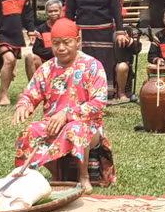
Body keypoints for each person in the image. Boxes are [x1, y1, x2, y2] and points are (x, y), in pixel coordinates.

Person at [12, 17, 115, 195]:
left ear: (78, 41)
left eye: (66, 43)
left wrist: (67, 114)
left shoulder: (92, 66)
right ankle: (51, 176)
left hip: (88, 125)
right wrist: (24, 104)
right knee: (32, 130)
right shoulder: (47, 69)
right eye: (56, 43)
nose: (61, 48)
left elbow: (99, 103)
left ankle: (83, 178)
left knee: (74, 129)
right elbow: (31, 92)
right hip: (53, 124)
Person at [64, 0, 130, 98]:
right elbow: (69, 11)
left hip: (105, 31)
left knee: (105, 61)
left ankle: (106, 92)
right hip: (83, 32)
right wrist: (68, 33)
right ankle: (83, 93)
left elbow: (117, 9)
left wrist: (120, 31)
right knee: (83, 62)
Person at [30, 0, 63, 75]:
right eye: (50, 11)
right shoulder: (40, 29)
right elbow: (36, 49)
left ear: (61, 11)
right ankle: (34, 86)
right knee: (30, 58)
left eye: (56, 11)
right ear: (46, 13)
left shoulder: (67, 27)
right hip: (45, 63)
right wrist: (54, 51)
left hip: (64, 61)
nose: (53, 13)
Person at [114, 25, 142, 103]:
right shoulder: (101, 30)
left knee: (122, 67)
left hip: (119, 67)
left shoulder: (127, 30)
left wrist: (129, 41)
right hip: (104, 64)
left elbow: (137, 49)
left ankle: (121, 92)